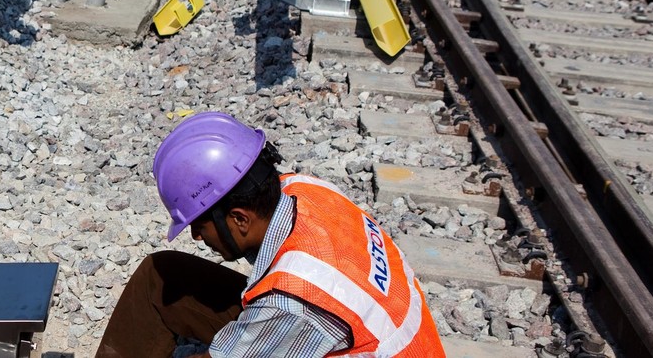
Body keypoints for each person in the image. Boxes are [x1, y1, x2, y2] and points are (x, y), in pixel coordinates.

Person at [96, 112, 444, 357]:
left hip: (339, 329)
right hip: (361, 333)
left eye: (200, 227)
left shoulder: (295, 299)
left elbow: (292, 308)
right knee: (161, 277)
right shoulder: (304, 189)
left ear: (239, 219)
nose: (197, 239)